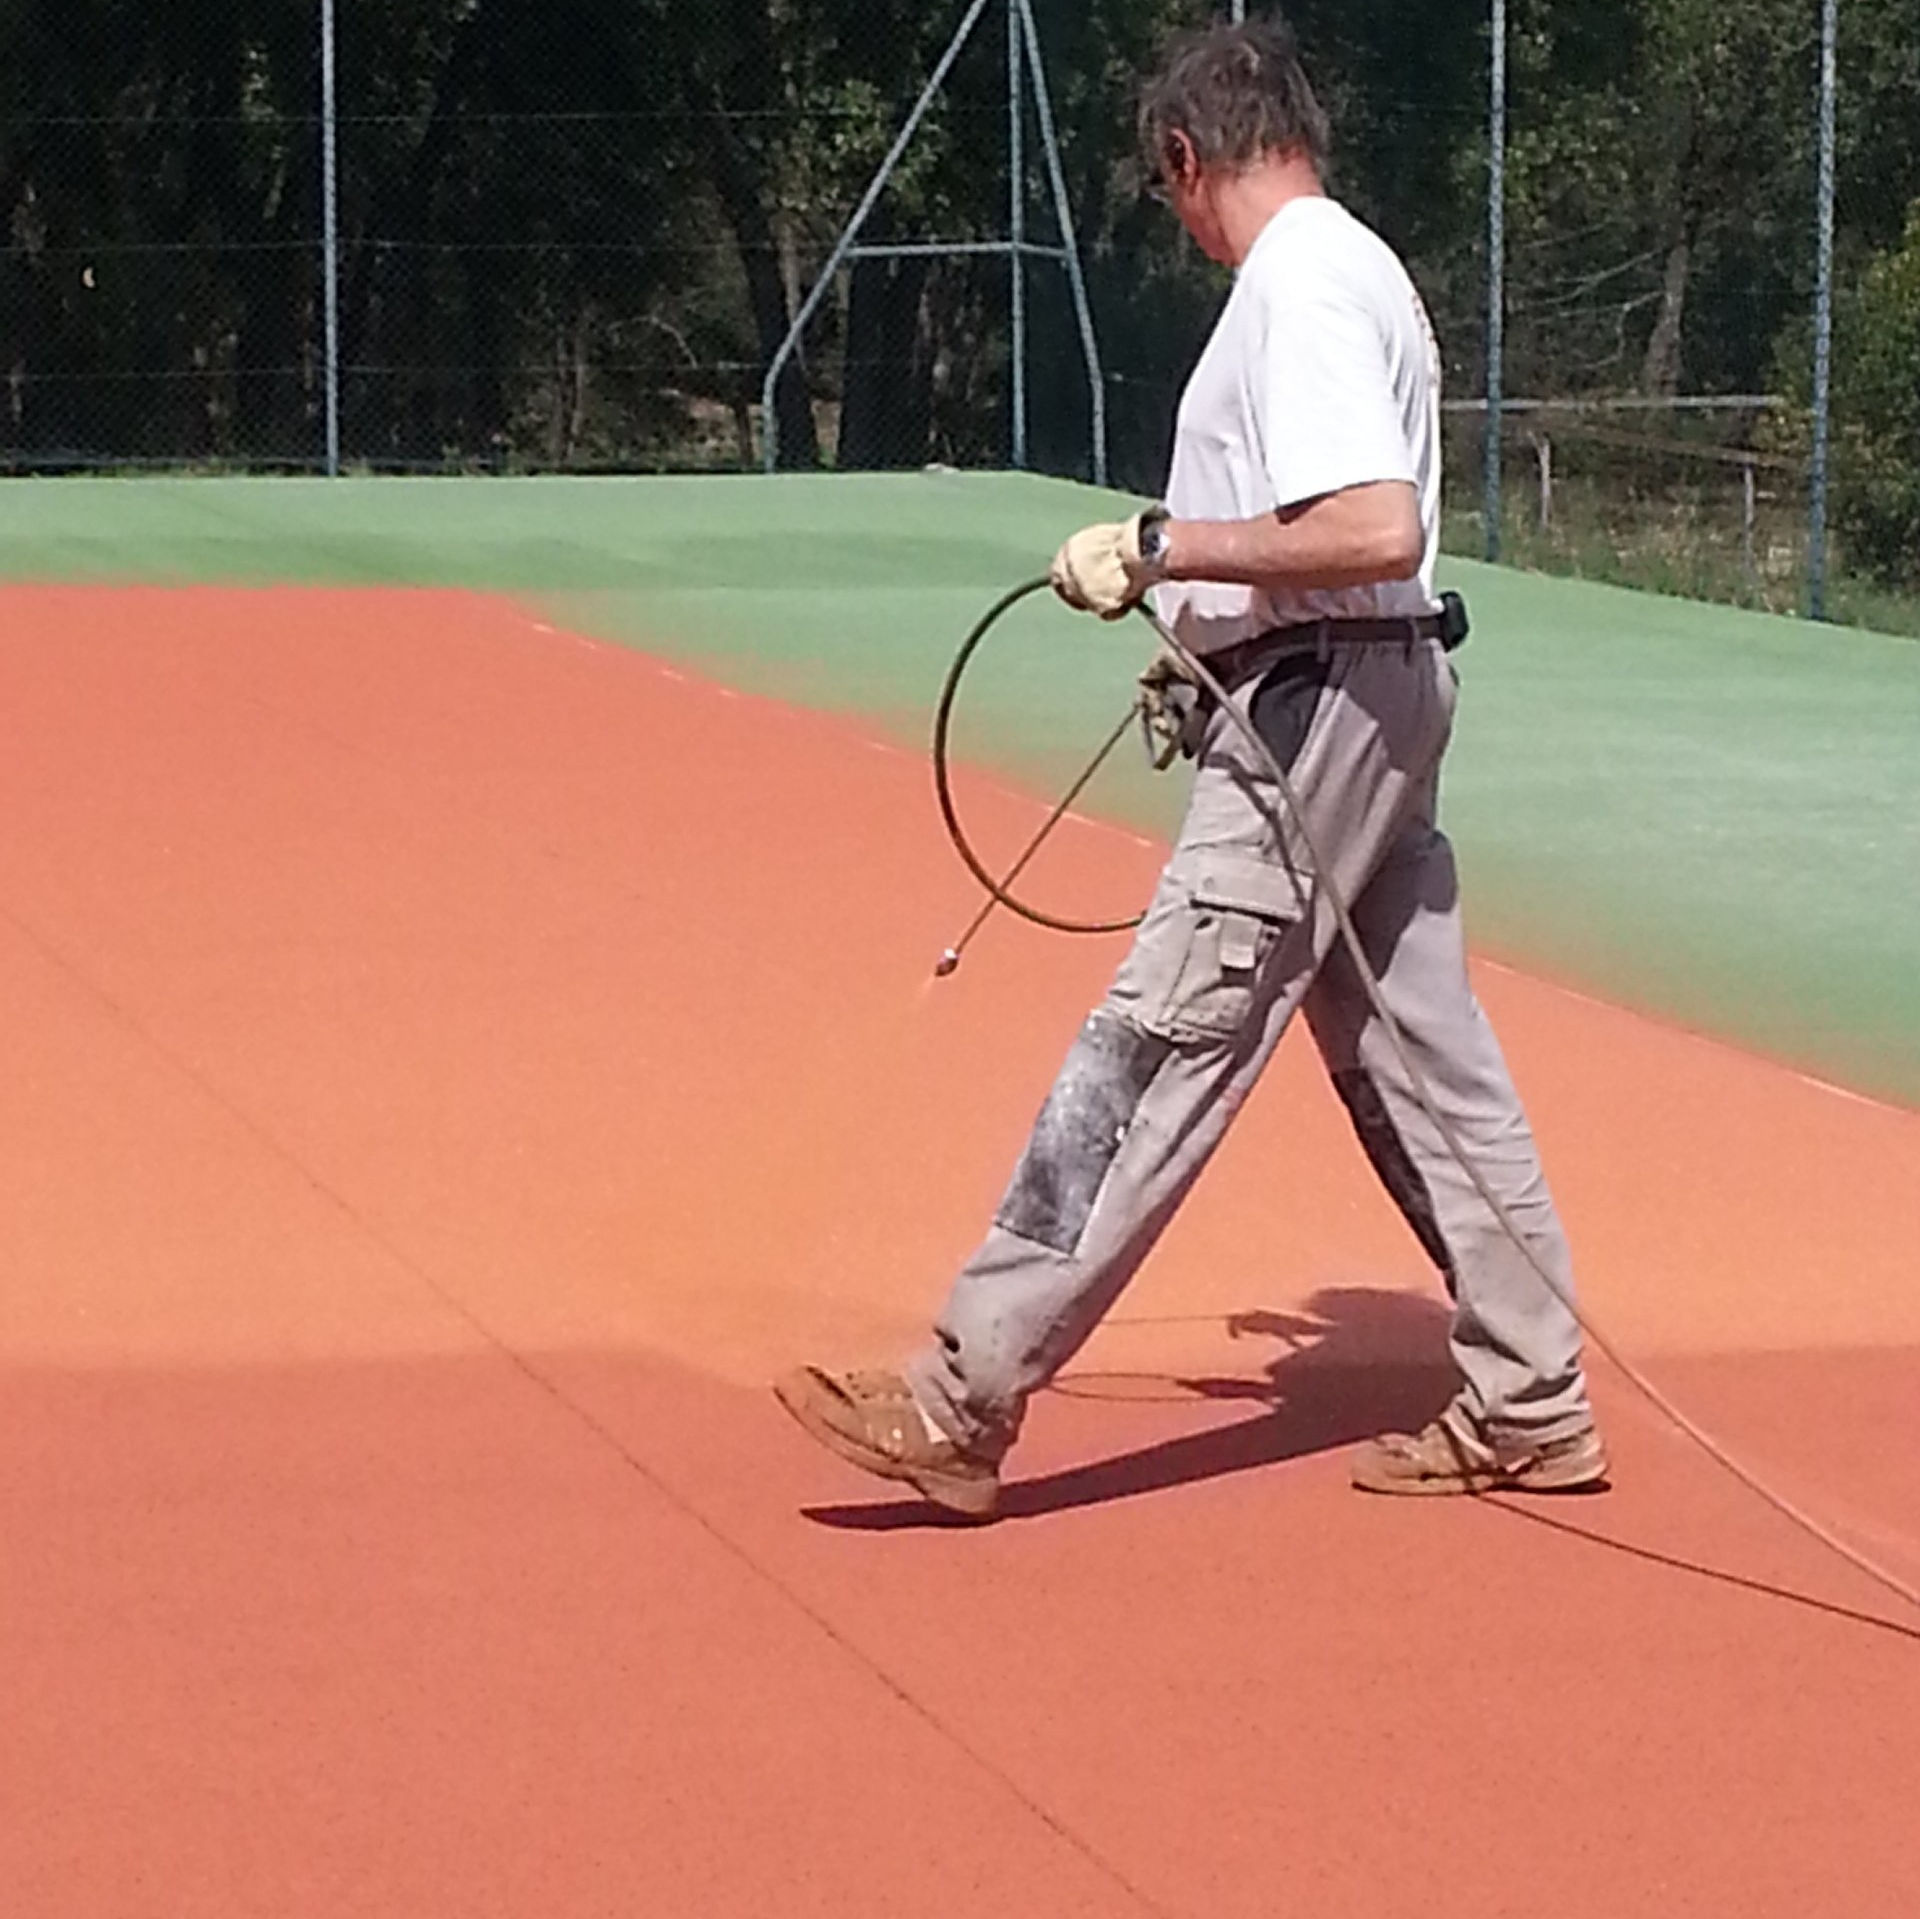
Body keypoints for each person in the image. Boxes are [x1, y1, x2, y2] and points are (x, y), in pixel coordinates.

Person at [775, 15, 1607, 1520]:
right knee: (1424, 1059)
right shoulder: (1360, 268)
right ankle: (1534, 1393)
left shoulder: (1295, 285)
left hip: (1318, 714)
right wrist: (1205, 628)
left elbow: (1367, 528)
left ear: (1184, 157)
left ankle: (963, 1396)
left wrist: (1168, 551)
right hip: (1362, 691)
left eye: (1165, 192)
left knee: (1150, 1045)